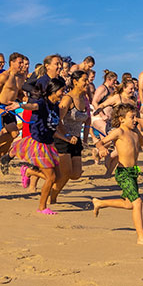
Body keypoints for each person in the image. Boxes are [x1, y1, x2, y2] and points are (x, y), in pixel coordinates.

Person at [92, 103, 143, 246]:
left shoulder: (135, 132)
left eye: (135, 116)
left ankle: (100, 202)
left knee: (129, 204)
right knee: (137, 202)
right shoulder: (119, 132)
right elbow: (100, 143)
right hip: (123, 172)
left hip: (133, 172)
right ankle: (141, 237)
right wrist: (101, 150)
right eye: (132, 117)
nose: (135, 120)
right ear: (121, 119)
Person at [0, 78, 68, 215]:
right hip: (39, 145)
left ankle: (29, 172)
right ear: (54, 91)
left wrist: (65, 138)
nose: (63, 93)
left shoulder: (55, 106)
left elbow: (52, 128)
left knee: (59, 177)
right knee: (51, 178)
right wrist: (20, 105)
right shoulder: (43, 103)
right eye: (62, 90)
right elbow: (33, 106)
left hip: (49, 144)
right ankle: (42, 207)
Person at [49, 70, 90, 203]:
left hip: (76, 139)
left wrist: (85, 139)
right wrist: (66, 135)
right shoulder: (67, 99)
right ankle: (52, 197)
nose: (87, 82)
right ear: (75, 81)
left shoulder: (84, 98)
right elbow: (57, 120)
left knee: (76, 174)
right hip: (63, 139)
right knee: (65, 173)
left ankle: (37, 174)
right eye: (84, 80)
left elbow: (87, 120)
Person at [0, 52, 28, 163]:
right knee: (13, 133)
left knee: (14, 134)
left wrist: (23, 97)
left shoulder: (20, 77)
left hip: (11, 107)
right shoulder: (4, 76)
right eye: (19, 63)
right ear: (12, 63)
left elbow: (17, 92)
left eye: (22, 63)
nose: (21, 65)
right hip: (0, 106)